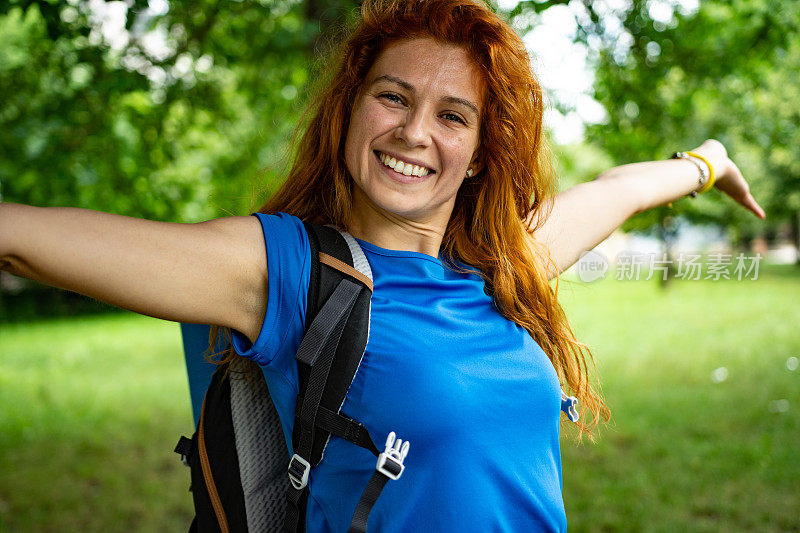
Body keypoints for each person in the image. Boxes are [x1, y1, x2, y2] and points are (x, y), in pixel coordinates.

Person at [0, 0, 765, 531]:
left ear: (475, 156)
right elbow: (25, 236)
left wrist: (707, 162)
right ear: (351, 113)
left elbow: (619, 189)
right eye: (392, 98)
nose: (414, 133)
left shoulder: (505, 265)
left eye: (451, 115)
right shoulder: (288, 270)